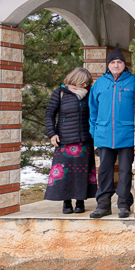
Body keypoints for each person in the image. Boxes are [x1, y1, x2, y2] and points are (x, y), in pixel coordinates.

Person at [89, 49, 135, 219]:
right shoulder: (100, 84)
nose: (116, 65)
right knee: (104, 171)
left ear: (125, 64)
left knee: (125, 171)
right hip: (104, 135)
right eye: (113, 62)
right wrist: (94, 133)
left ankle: (123, 204)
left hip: (127, 134)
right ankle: (103, 204)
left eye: (119, 62)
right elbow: (92, 110)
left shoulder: (133, 82)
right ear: (108, 65)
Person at [44, 67, 96, 214]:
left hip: (85, 140)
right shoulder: (60, 93)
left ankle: (80, 202)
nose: (84, 85)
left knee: (82, 173)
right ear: (74, 79)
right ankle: (66, 202)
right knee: (64, 173)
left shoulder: (89, 93)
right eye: (82, 81)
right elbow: (49, 114)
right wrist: (52, 133)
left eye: (86, 82)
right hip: (65, 140)